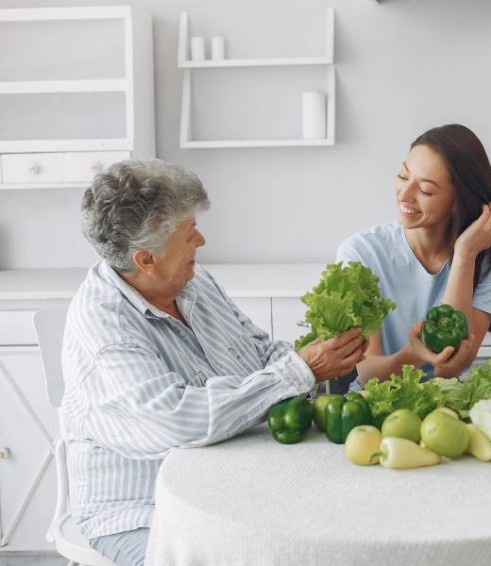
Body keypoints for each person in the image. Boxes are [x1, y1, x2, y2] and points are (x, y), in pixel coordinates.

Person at [61, 159, 366, 566]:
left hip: (233, 484)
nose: (201, 241)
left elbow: (259, 350)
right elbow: (176, 422)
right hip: (144, 511)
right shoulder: (106, 328)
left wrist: (317, 360)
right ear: (146, 259)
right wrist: (301, 370)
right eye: (189, 234)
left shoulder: (192, 281)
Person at [337, 124, 491, 388]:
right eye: (403, 175)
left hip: (445, 402)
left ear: (458, 200)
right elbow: (367, 374)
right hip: (373, 403)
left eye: (426, 190)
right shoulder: (361, 253)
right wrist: (412, 354)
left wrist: (464, 255)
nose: (404, 195)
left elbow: (449, 369)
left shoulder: (490, 257)